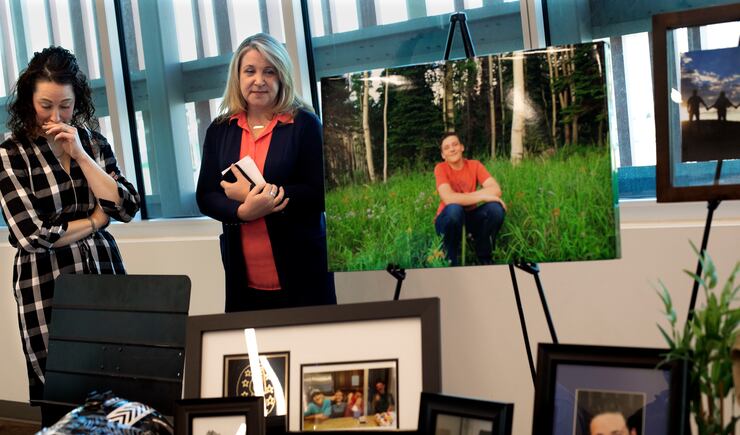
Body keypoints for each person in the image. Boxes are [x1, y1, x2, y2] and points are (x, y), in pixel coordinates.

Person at [0, 47, 140, 421]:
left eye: (65, 106)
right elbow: (32, 235)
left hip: (103, 274)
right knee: (63, 397)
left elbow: (126, 206)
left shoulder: (92, 143)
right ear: (29, 101)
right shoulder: (11, 153)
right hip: (47, 283)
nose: (55, 116)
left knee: (118, 386)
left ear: (77, 101)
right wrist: (94, 221)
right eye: (45, 105)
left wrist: (80, 155)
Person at [196, 33, 336, 312]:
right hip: (243, 279)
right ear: (237, 77)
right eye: (250, 71)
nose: (259, 80)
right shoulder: (220, 130)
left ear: (281, 76)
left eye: (269, 71)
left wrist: (257, 196)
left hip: (303, 274)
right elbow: (206, 196)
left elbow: (321, 193)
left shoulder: (305, 124)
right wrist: (242, 211)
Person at [434, 133, 506, 266]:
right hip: (448, 219)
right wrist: (483, 196)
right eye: (447, 148)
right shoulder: (441, 168)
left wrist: (464, 197)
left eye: (455, 145)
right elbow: (448, 199)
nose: (452, 149)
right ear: (443, 155)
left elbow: (496, 190)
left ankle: (484, 255)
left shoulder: (475, 165)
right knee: (455, 209)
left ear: (462, 147)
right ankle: (450, 259)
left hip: (470, 218)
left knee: (495, 209)